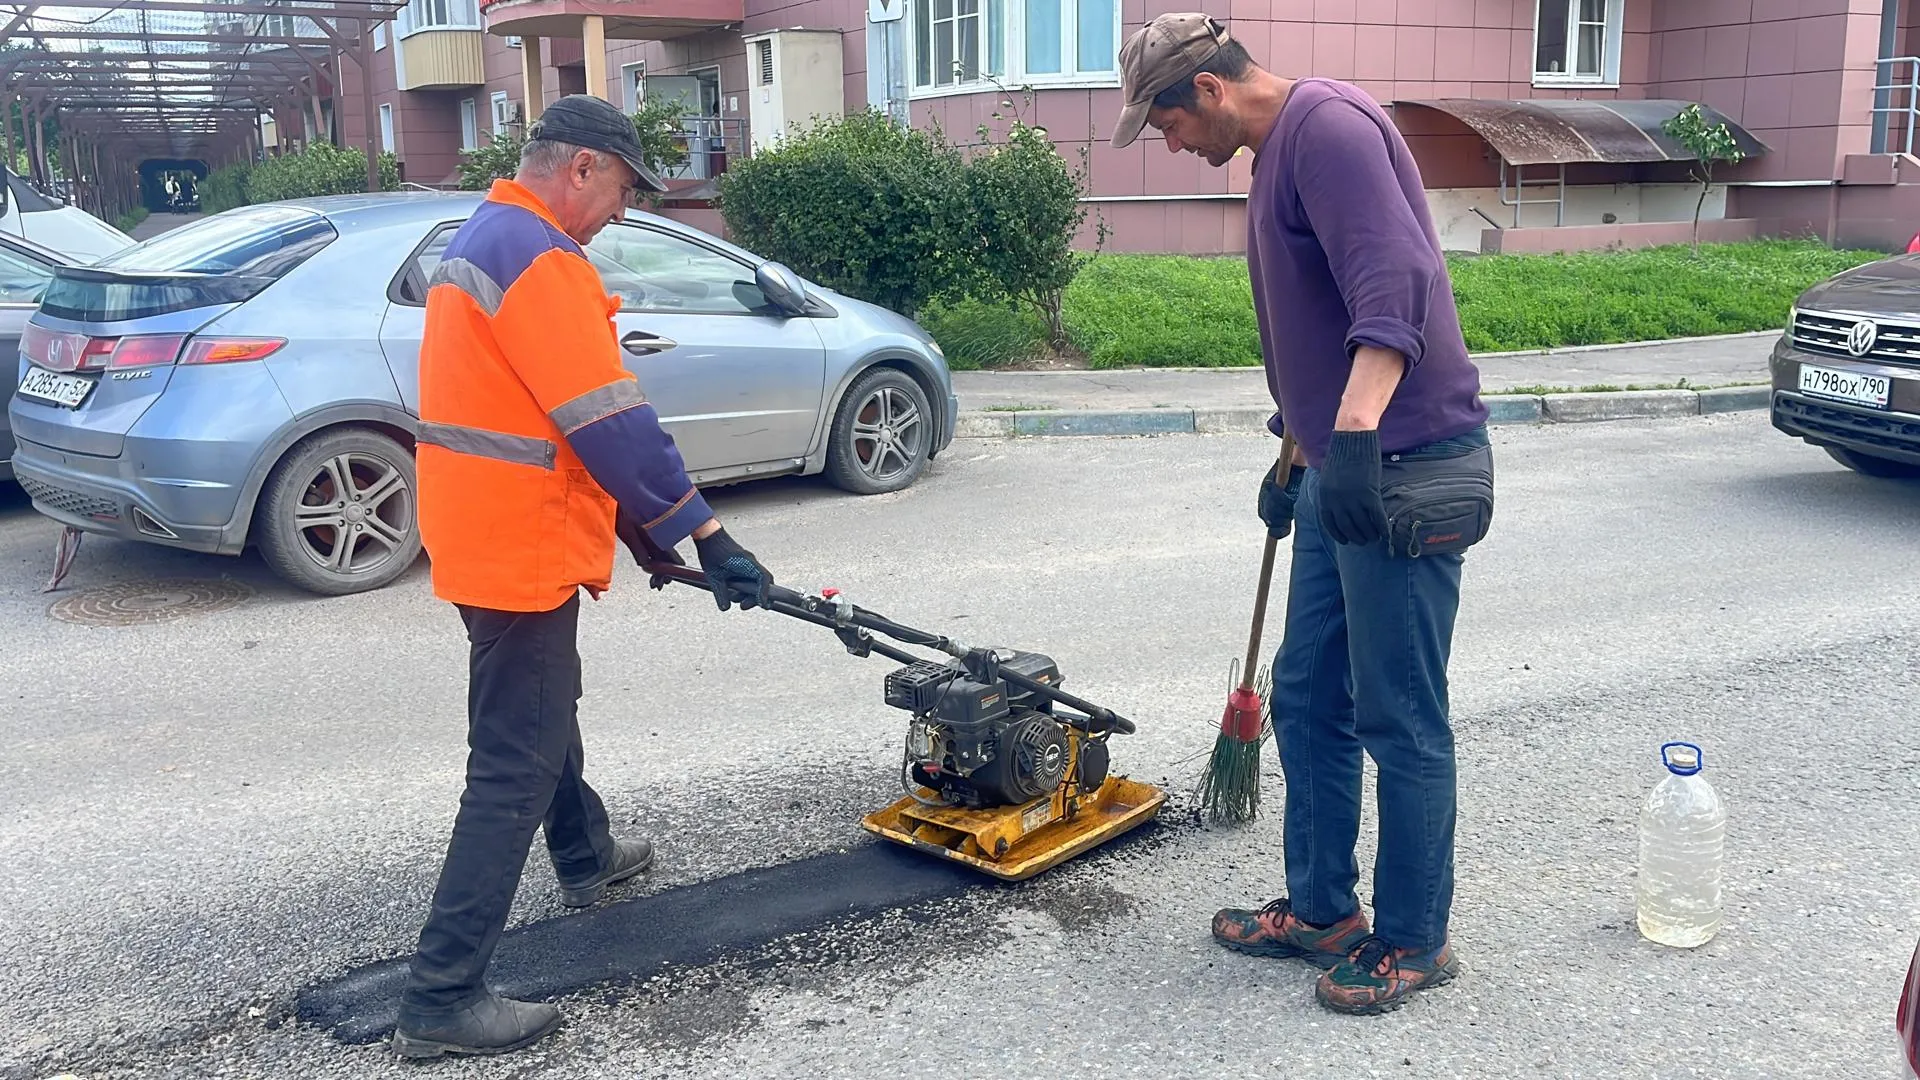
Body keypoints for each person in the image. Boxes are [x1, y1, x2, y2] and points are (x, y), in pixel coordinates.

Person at [1110, 15, 1494, 1015]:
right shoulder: (1276, 152)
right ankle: (1325, 909)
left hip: (1402, 468)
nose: (1169, 145)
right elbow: (1318, 321)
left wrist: (1357, 437)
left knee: (1397, 714)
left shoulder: (1325, 130)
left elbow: (1394, 288)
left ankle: (1415, 938)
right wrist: (1299, 446)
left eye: (1163, 123)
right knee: (1307, 690)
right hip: (1340, 461)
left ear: (1205, 88)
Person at [391, 93, 777, 1059]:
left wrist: (640, 537)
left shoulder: (485, 237)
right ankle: (442, 996)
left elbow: (539, 417)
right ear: (581, 170)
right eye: (619, 191)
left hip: (483, 529)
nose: (617, 214)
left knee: (540, 705)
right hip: (515, 542)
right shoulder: (540, 258)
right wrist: (703, 532)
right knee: (515, 754)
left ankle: (585, 854)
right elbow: (607, 416)